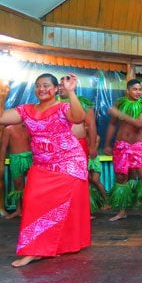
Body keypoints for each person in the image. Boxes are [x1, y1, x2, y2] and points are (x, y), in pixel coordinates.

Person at [0, 72, 90, 267]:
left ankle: (43, 249)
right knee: (32, 201)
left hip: (69, 163)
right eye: (38, 85)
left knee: (60, 207)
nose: (42, 89)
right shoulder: (26, 110)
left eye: (46, 85)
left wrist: (71, 92)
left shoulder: (63, 107)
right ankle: (38, 248)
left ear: (56, 88)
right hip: (42, 165)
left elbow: (79, 117)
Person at [103, 79, 142, 222]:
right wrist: (106, 144)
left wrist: (120, 114)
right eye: (135, 89)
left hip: (138, 146)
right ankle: (123, 211)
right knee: (121, 178)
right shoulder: (120, 103)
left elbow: (139, 123)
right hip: (121, 145)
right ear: (128, 91)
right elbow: (112, 124)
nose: (138, 92)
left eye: (140, 89)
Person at [58, 77, 104, 216]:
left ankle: (83, 211)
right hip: (59, 147)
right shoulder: (54, 104)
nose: (60, 88)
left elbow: (91, 125)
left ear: (72, 86)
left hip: (79, 145)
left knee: (80, 177)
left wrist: (92, 147)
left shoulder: (82, 104)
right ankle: (64, 210)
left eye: (63, 85)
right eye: (58, 85)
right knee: (62, 178)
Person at [0, 123, 32, 219]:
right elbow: (3, 148)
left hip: (29, 156)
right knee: (18, 185)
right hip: (16, 159)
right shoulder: (8, 129)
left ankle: (29, 209)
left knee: (33, 184)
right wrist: (1, 163)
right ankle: (18, 209)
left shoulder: (28, 127)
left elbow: (32, 143)